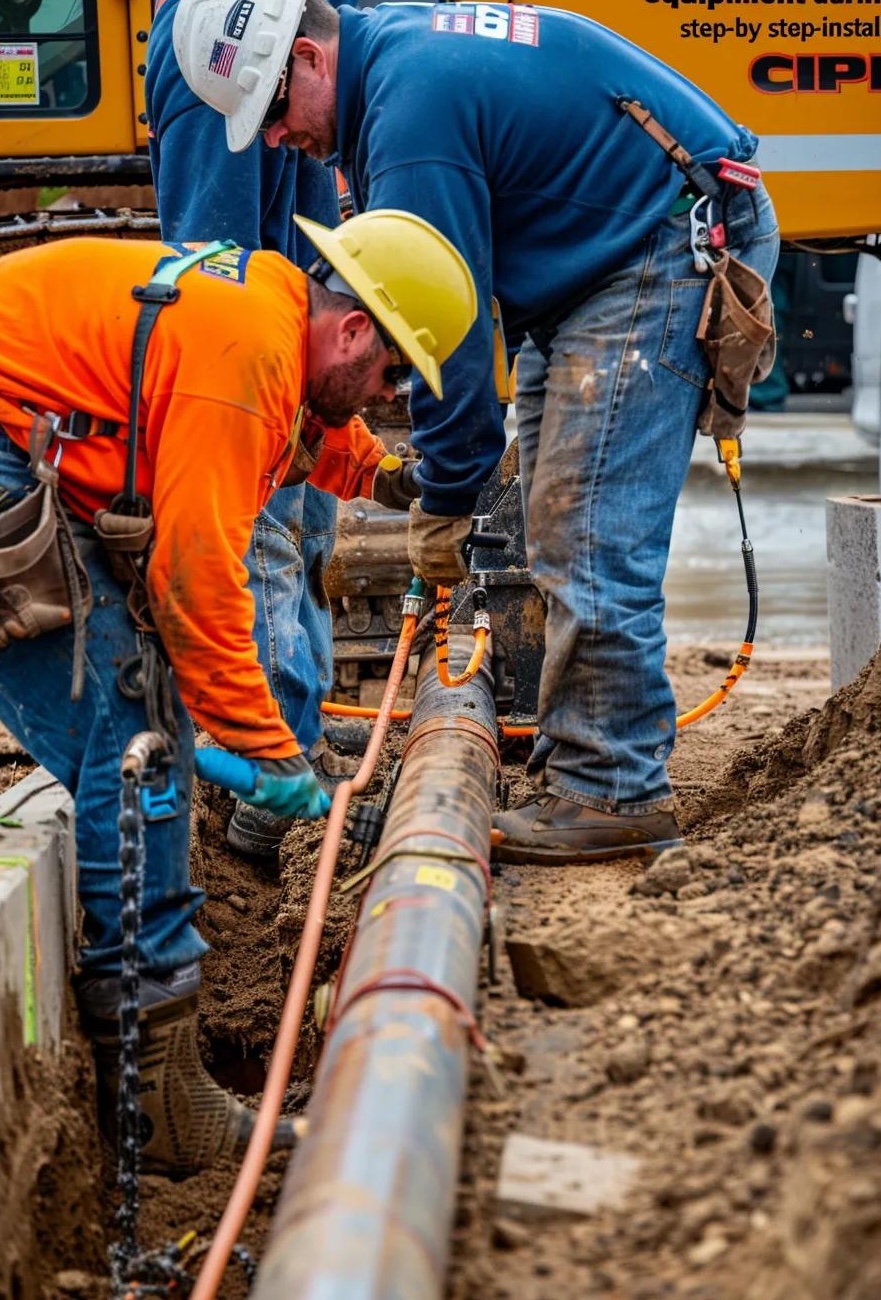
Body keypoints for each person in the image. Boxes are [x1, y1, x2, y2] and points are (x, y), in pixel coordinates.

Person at [176, 0, 780, 867]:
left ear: (308, 57)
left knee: (585, 526)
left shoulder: (407, 115)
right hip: (607, 258)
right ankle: (581, 753)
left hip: (659, 249)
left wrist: (447, 497)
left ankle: (613, 788)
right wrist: (430, 478)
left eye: (271, 111)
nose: (275, 140)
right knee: (550, 513)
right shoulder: (394, 63)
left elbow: (442, 332)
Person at [0, 212, 476, 1174]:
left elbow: (290, 434)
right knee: (136, 749)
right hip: (14, 447)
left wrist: (382, 477)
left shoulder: (269, 318)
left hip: (28, 437)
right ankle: (156, 1101)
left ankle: (142, 1042)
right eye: (391, 376)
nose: (386, 397)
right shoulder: (246, 351)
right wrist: (266, 746)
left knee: (136, 736)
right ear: (353, 330)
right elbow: (196, 576)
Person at [146, 0, 358, 862]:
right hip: (254, 345)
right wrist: (267, 389)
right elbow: (213, 263)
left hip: (293, 328)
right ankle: (272, 766)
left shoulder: (279, 32)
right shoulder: (225, 52)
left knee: (305, 541)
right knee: (264, 541)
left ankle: (302, 725)